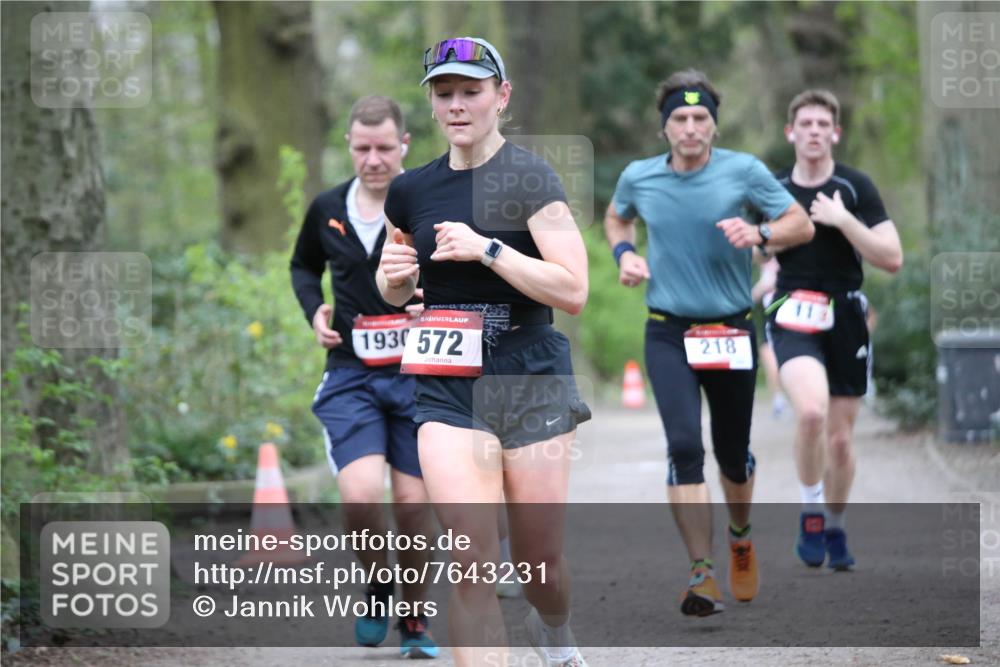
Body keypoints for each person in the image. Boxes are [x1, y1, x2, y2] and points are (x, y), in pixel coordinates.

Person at [378, 37, 591, 667]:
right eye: (444, 94)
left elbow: (573, 289)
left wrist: (488, 249)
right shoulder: (411, 190)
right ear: (432, 105)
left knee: (537, 564)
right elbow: (398, 284)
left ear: (501, 96)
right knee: (469, 559)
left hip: (531, 378)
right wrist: (393, 281)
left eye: (471, 91)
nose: (457, 105)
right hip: (447, 383)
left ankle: (553, 631)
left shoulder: (530, 178)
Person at [604, 69, 813, 617]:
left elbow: (800, 223)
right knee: (683, 447)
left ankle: (740, 535)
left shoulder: (743, 172)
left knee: (732, 452)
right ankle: (701, 571)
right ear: (664, 127)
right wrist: (624, 256)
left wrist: (761, 233)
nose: (690, 127)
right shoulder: (639, 177)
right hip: (668, 329)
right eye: (680, 118)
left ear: (713, 127)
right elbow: (617, 218)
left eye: (700, 119)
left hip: (730, 328)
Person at [290, 95, 439, 659]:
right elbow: (303, 265)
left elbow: (462, 272)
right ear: (350, 147)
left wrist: (435, 305)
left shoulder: (427, 203)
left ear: (403, 144)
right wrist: (315, 311)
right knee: (358, 497)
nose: (373, 159)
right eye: (362, 148)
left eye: (384, 147)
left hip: (418, 373)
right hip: (351, 373)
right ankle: (378, 585)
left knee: (411, 504)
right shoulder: (327, 206)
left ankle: (417, 620)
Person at [766, 89, 902, 570]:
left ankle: (837, 523)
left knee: (841, 440)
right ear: (791, 132)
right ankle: (810, 511)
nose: (814, 132)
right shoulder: (775, 189)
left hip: (846, 314)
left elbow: (891, 258)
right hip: (792, 309)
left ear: (835, 133)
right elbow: (759, 253)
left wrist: (844, 219)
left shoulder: (856, 186)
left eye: (823, 124)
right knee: (809, 414)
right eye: (805, 124)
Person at [752, 256, 789, 418]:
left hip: (790, 316)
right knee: (772, 365)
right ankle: (778, 400)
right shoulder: (765, 263)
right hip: (771, 317)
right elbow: (754, 295)